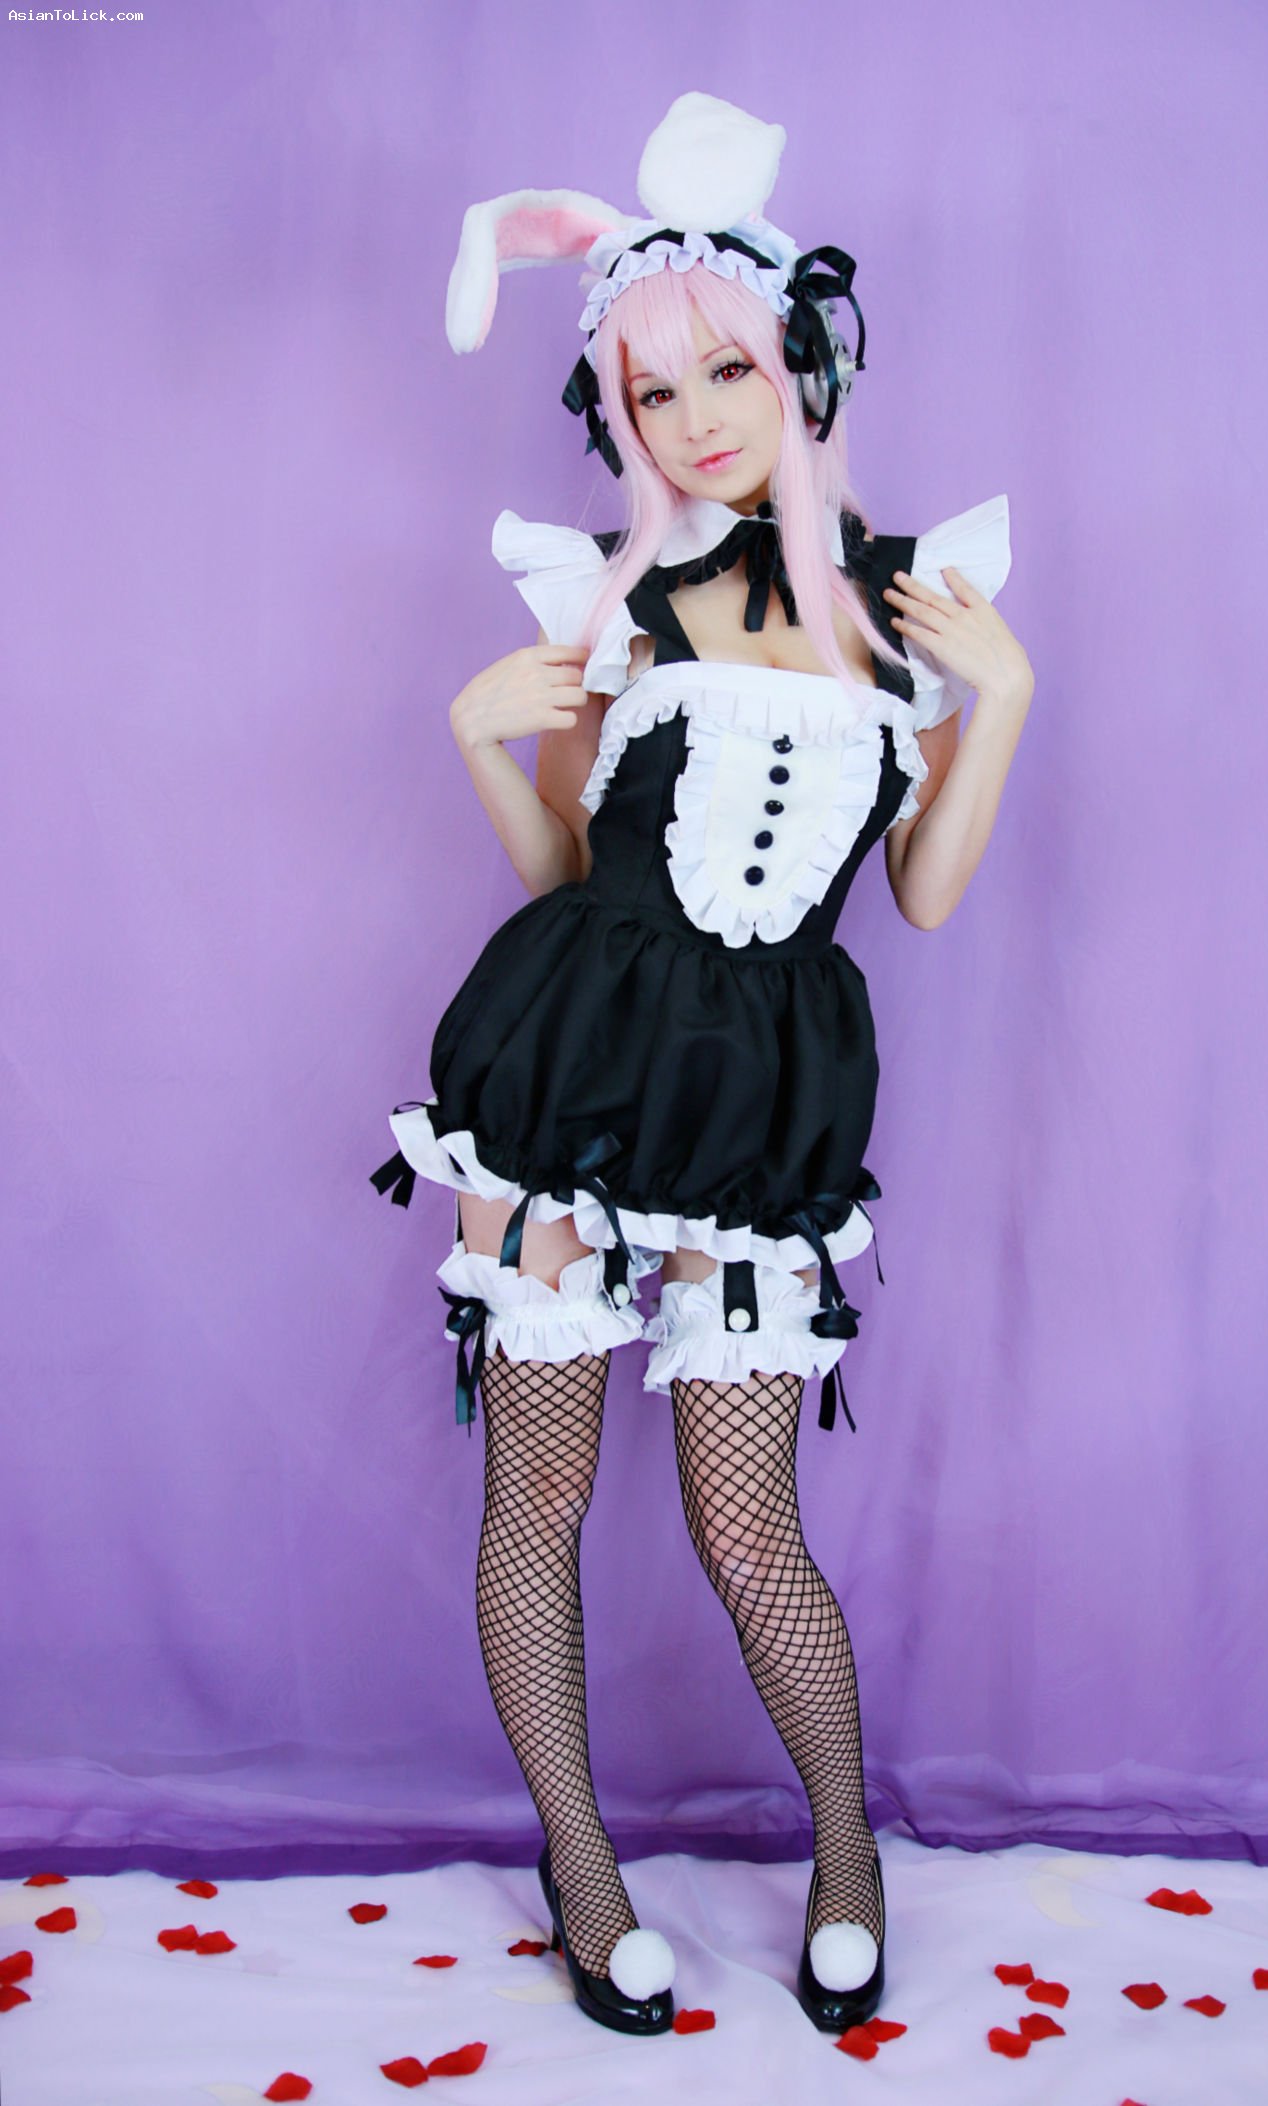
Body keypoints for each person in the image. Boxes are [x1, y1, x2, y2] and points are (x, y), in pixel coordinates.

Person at [370, 92, 1034, 2037]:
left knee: (753, 1531)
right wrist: (482, 739)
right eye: (653, 394)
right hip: (565, 1070)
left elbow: (919, 896)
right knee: (540, 1499)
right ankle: (584, 1874)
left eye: (725, 372)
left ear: (795, 363)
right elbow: (574, 872)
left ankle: (847, 1855)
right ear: (623, 415)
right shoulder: (618, 599)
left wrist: (1003, 698)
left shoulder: (901, 607)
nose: (695, 421)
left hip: (764, 1103)